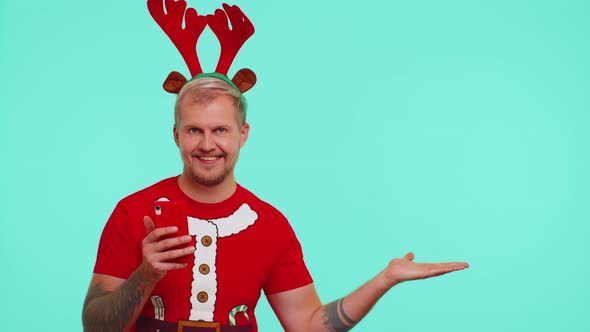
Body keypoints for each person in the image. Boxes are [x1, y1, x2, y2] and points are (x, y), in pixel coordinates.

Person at [82, 76, 469, 332]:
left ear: (243, 134)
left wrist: (385, 279)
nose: (207, 144)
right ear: (176, 135)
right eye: (194, 130)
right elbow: (94, 325)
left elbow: (309, 323)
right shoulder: (135, 212)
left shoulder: (268, 225)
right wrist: (145, 274)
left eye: (220, 130)